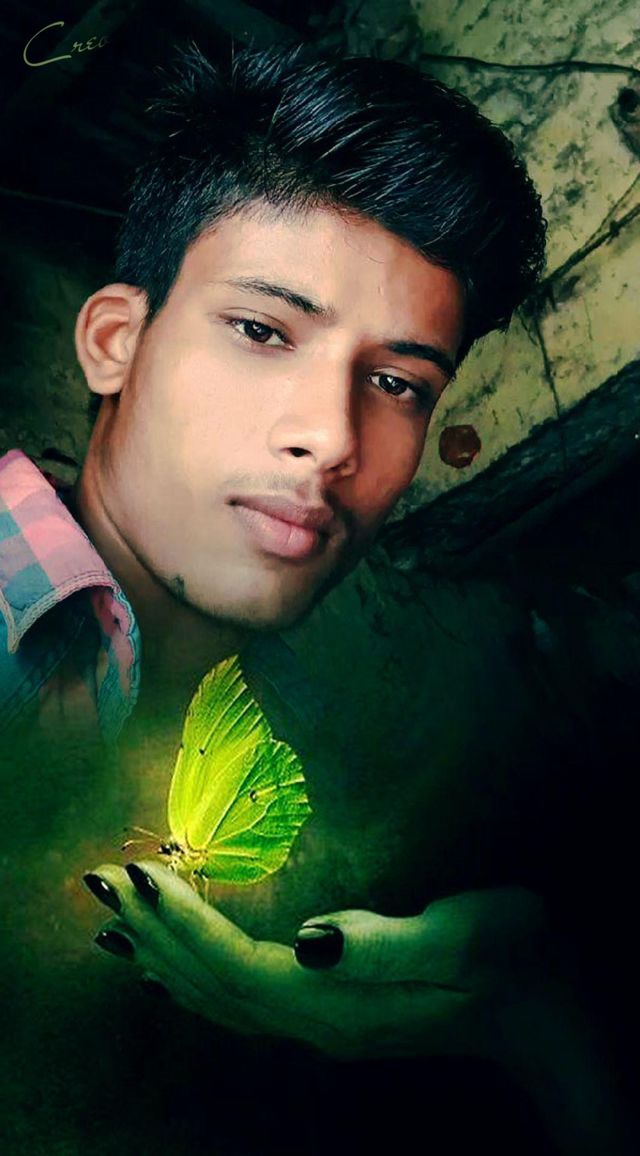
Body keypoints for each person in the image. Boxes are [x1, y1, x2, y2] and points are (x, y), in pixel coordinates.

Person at [0, 44, 632, 1154]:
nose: (333, 438)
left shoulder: (318, 765)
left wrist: (538, 1030)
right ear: (114, 342)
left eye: (397, 383)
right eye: (261, 330)